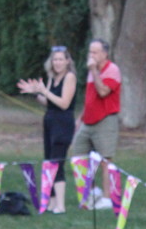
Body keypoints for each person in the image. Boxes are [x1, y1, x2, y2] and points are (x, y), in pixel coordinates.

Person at [18, 46, 78, 214]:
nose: (57, 63)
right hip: (50, 121)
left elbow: (64, 103)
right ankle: (51, 203)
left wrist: (45, 91)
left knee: (57, 162)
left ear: (67, 61)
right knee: (48, 162)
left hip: (63, 123)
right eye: (54, 59)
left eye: (60, 59)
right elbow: (49, 102)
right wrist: (36, 93)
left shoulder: (70, 77)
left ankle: (61, 205)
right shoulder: (52, 77)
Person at [68, 38, 121, 210]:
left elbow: (103, 92)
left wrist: (93, 70)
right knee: (79, 157)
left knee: (105, 160)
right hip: (88, 120)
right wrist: (80, 118)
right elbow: (90, 98)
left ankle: (107, 198)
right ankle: (92, 192)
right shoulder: (93, 71)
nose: (91, 55)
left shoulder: (112, 70)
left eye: (95, 52)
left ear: (105, 54)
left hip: (105, 120)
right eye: (90, 52)